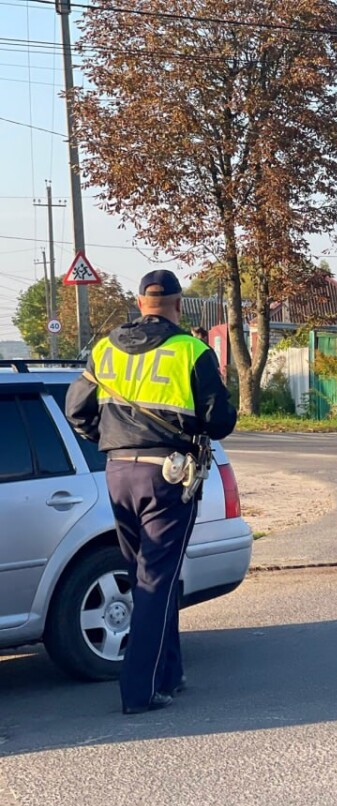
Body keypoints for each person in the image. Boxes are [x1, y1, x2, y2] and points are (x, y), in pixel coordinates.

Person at [65, 270, 237, 715]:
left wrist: (110, 440)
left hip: (118, 471)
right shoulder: (190, 350)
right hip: (167, 474)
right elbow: (221, 423)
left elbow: (76, 410)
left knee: (147, 574)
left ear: (140, 303)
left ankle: (170, 673)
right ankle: (139, 691)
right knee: (156, 581)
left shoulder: (104, 349)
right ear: (178, 306)